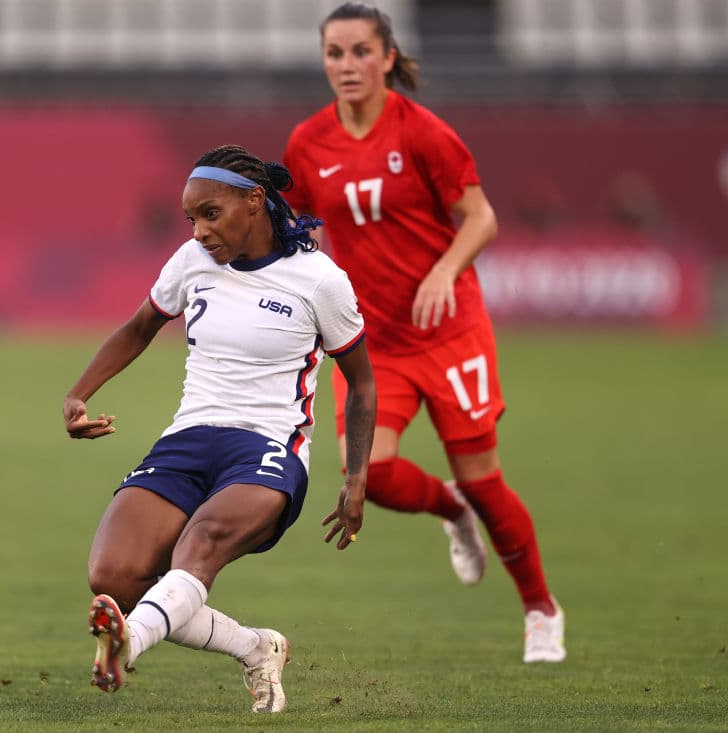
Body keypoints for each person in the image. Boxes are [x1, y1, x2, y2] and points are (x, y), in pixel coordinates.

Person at [281, 2, 565, 663]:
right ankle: (451, 510)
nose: (347, 65)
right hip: (375, 342)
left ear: (386, 57)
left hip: (449, 331)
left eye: (360, 52)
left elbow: (482, 218)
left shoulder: (425, 133)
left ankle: (540, 609)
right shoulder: (307, 143)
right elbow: (296, 230)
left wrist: (443, 271)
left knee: (488, 481)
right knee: (369, 476)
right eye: (334, 53)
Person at [62, 144, 377, 712]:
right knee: (116, 577)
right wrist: (79, 394)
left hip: (269, 448)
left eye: (211, 214)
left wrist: (357, 479)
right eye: (192, 218)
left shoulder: (318, 280)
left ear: (255, 201)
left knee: (196, 548)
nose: (200, 231)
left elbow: (363, 383)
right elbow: (139, 328)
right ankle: (257, 648)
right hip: (188, 439)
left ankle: (128, 645)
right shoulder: (191, 263)